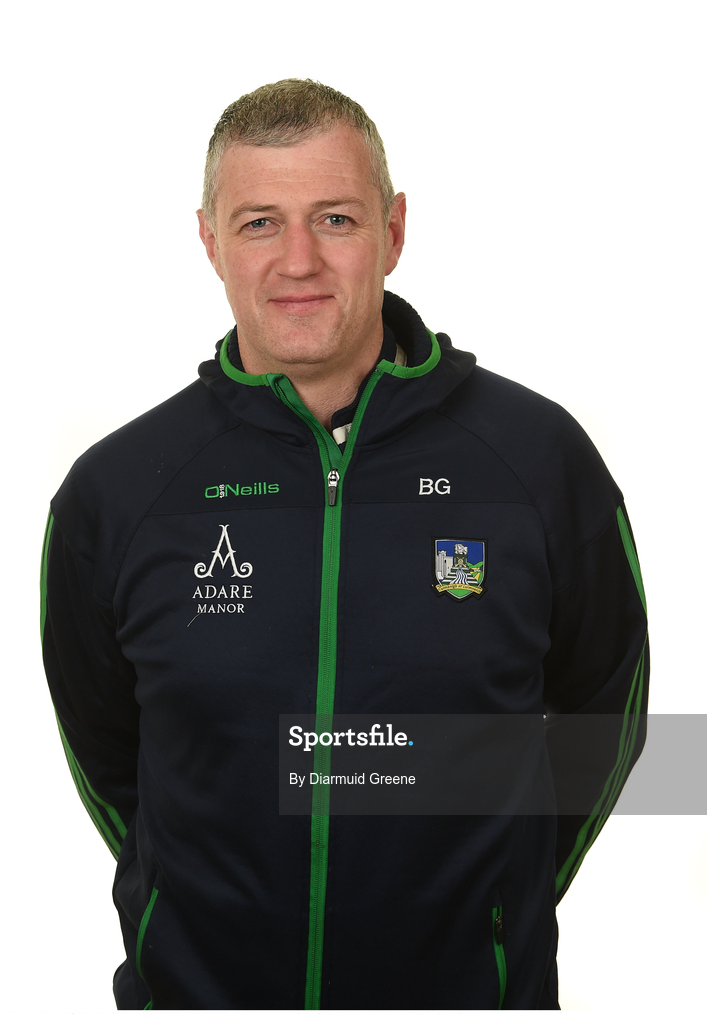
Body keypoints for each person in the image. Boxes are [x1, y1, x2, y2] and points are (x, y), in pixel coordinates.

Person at [40, 79, 649, 1010]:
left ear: (393, 231)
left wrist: (498, 908)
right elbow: (112, 759)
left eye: (335, 218)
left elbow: (605, 721)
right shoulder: (119, 491)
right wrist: (180, 905)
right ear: (208, 241)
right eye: (258, 223)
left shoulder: (536, 461)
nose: (299, 261)